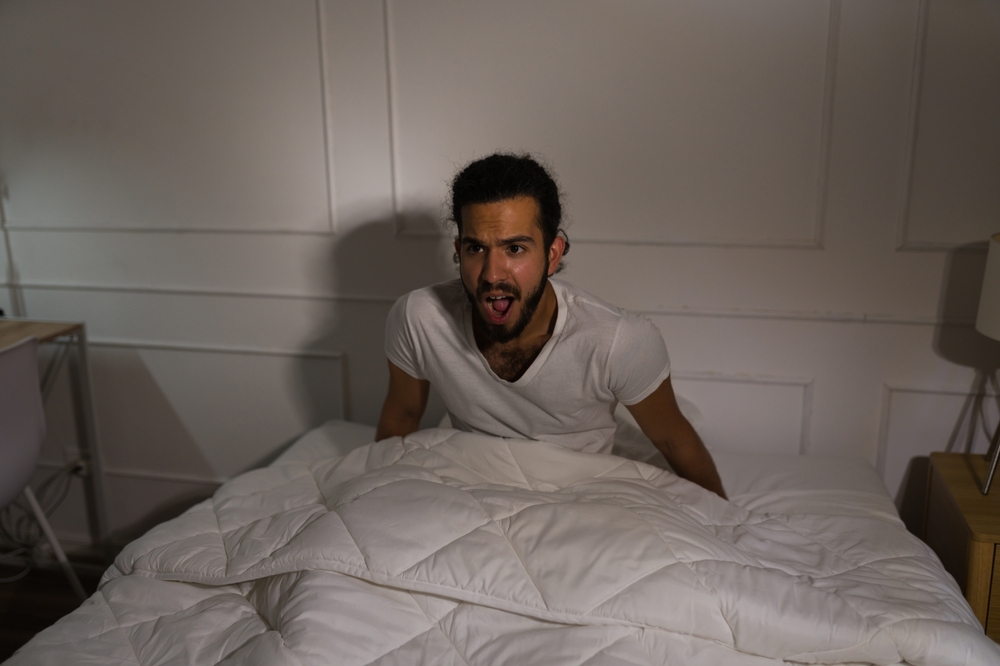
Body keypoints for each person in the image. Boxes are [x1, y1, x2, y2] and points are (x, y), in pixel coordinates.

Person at [375, 153, 726, 498]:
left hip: (579, 493)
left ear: (552, 254)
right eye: (476, 249)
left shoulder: (619, 340)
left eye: (514, 248)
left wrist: (724, 518)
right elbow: (401, 418)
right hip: (469, 482)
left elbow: (673, 439)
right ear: (459, 250)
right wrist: (378, 495)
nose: (492, 274)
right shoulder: (419, 317)